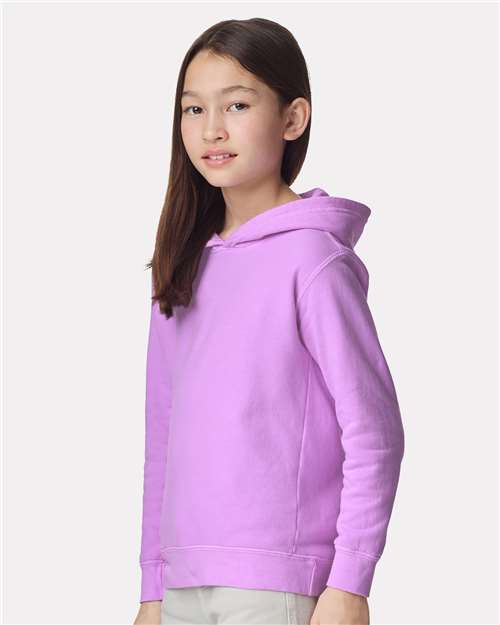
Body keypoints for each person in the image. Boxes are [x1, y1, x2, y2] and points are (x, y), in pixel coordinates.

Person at [133, 17, 405, 625]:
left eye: (237, 104)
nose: (212, 128)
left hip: (275, 586)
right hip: (183, 588)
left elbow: (374, 430)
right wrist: (152, 587)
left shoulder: (313, 259)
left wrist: (350, 581)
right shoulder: (181, 267)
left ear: (292, 118)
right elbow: (162, 441)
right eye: (194, 109)